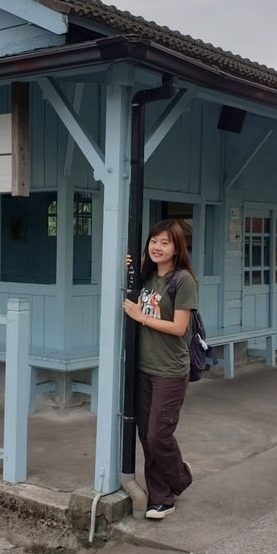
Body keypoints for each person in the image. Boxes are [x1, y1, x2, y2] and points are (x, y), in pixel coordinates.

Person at [123, 219, 196, 520]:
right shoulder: (147, 277)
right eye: (154, 240)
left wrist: (141, 317)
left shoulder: (183, 281)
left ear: (177, 248)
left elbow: (179, 328)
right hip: (142, 368)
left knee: (158, 436)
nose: (157, 246)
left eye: (164, 242)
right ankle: (161, 498)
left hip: (169, 370)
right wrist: (131, 267)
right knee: (145, 435)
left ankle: (179, 478)